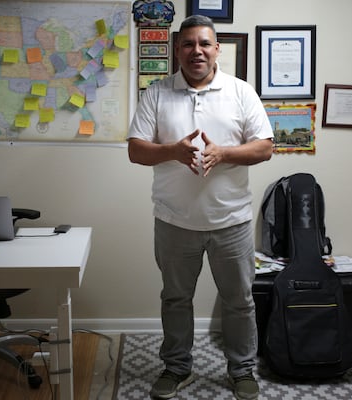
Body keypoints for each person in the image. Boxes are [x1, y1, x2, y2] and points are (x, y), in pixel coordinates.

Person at [127, 14, 274, 400]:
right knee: (175, 299)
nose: (197, 51)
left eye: (204, 44)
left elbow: (265, 146)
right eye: (189, 44)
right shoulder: (156, 93)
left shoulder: (241, 92)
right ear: (178, 50)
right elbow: (135, 149)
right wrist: (173, 151)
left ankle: (242, 370)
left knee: (239, 301)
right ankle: (177, 368)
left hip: (232, 221)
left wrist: (223, 152)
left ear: (216, 49)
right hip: (174, 221)